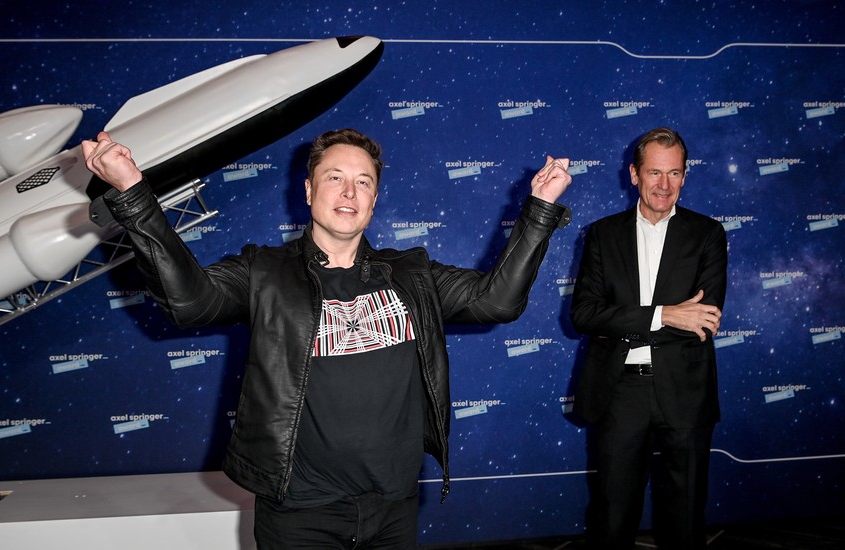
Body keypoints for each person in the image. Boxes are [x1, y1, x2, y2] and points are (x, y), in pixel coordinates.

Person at [82, 128, 573, 549]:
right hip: (300, 513)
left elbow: (498, 301)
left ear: (375, 199)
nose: (349, 192)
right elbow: (188, 303)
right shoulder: (264, 271)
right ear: (309, 190)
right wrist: (133, 194)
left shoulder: (413, 273)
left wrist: (540, 209)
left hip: (394, 506)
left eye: (364, 182)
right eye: (334, 178)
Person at [569, 127, 727, 549]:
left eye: (674, 174)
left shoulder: (708, 234)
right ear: (634, 174)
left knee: (686, 515)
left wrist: (627, 320)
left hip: (685, 389)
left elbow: (705, 318)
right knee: (613, 514)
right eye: (655, 173)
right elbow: (585, 313)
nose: (664, 185)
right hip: (621, 390)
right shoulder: (603, 234)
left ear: (685, 176)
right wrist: (666, 314)